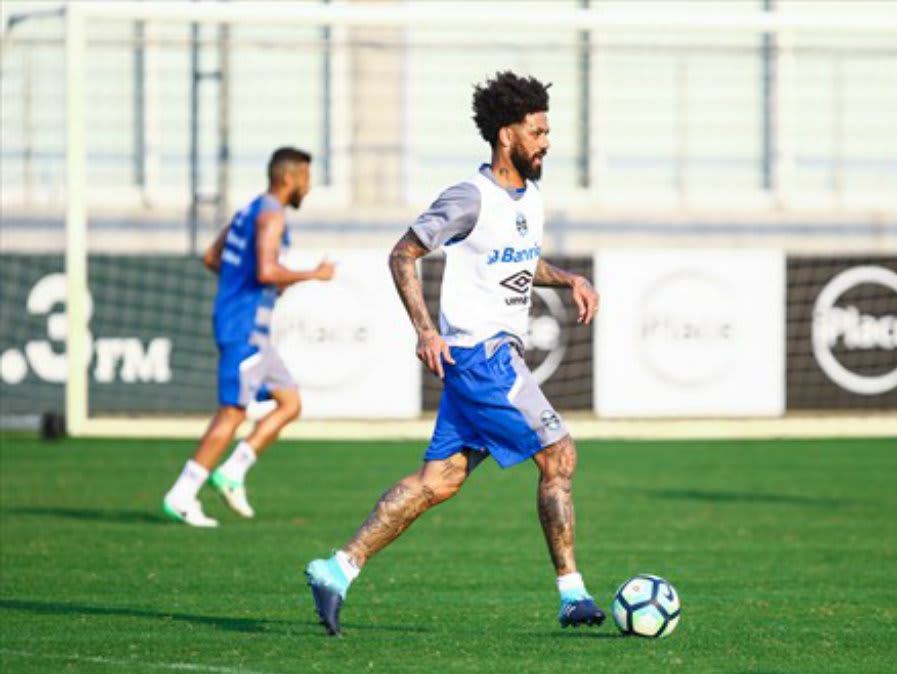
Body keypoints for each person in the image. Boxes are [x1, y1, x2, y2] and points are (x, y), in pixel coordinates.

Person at [304, 72, 602, 635]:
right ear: (507, 134)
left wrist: (568, 279)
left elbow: (520, 262)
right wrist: (424, 330)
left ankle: (337, 569)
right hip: (481, 358)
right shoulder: (469, 196)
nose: (547, 141)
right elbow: (403, 254)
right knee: (558, 455)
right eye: (537, 131)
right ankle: (572, 594)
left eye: (547, 130)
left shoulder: (529, 197)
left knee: (438, 481)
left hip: (487, 358)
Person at [162, 147, 334, 527]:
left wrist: (248, 281)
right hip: (243, 329)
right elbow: (267, 270)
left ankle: (233, 471)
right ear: (289, 178)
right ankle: (183, 492)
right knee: (233, 412)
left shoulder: (250, 210)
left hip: (252, 331)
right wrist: (312, 274)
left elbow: (212, 257)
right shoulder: (271, 216)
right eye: (305, 178)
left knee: (289, 402)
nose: (308, 186)